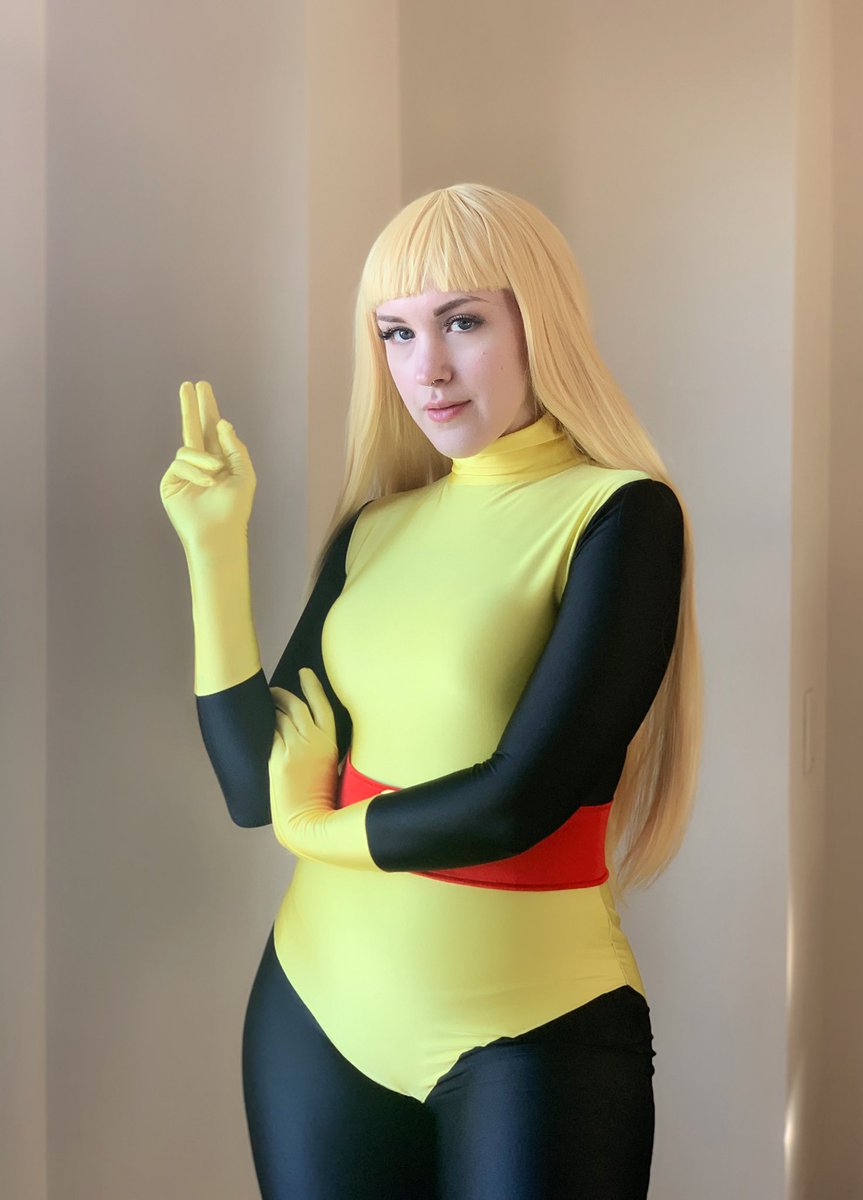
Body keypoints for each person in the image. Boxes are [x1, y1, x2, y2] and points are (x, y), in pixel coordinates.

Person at [159, 182, 702, 1200]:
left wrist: (316, 831)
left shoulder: (620, 516)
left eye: (463, 322)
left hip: (532, 1025)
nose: (428, 369)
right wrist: (213, 548)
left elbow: (518, 799)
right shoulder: (375, 530)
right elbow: (251, 787)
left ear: (540, 321)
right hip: (314, 1010)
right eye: (397, 334)